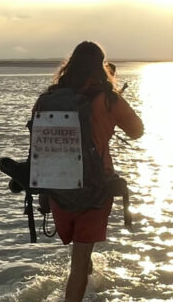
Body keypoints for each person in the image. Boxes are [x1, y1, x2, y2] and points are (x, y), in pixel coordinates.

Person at [39, 42, 143, 301]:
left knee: (81, 251)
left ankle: (90, 285)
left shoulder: (49, 98)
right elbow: (137, 131)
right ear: (100, 67)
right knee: (81, 259)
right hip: (95, 189)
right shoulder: (108, 99)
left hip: (58, 189)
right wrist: (114, 106)